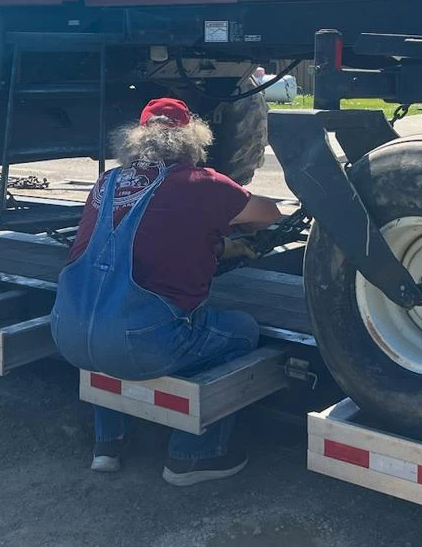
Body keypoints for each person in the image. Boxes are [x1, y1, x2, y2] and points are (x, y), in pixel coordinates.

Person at [51, 97, 282, 486]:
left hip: (67, 330)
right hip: (141, 342)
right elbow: (269, 213)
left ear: (136, 139)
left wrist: (219, 244)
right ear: (192, 137)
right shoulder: (200, 183)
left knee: (106, 324)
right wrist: (239, 232)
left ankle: (107, 444)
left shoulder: (107, 183)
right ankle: (193, 455)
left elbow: (141, 240)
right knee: (241, 331)